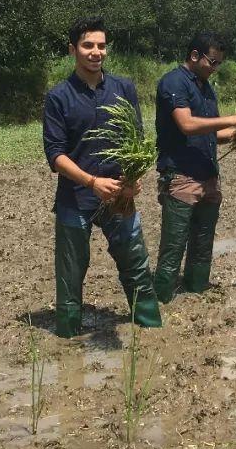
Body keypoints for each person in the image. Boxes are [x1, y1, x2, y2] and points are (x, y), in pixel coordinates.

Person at [42, 17, 162, 336]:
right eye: (88, 45)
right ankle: (68, 336)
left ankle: (151, 328)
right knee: (70, 275)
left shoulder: (123, 88)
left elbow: (135, 139)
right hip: (75, 198)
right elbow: (56, 155)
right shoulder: (59, 96)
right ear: (73, 50)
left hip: (119, 197)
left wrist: (134, 177)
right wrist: (92, 183)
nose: (96, 52)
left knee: (136, 265)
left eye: (101, 45)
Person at [153, 32, 236, 303]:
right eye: (212, 62)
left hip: (208, 177)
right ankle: (161, 300)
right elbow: (187, 125)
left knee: (202, 245)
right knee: (174, 246)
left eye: (219, 64)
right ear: (194, 56)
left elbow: (212, 134)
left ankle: (196, 292)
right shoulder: (173, 82)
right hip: (181, 177)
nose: (215, 68)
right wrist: (233, 118)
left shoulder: (206, 88)